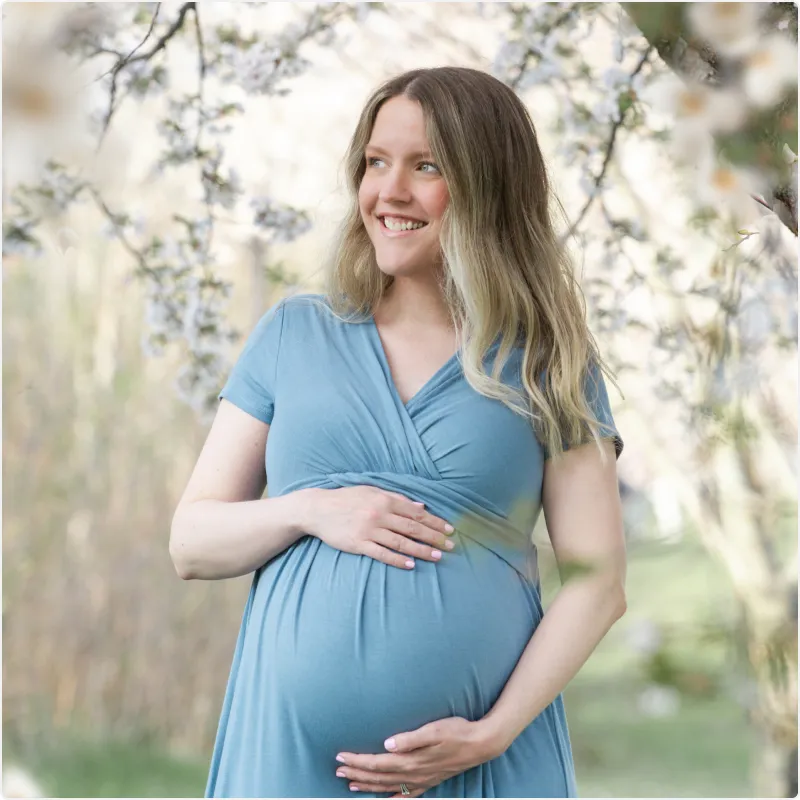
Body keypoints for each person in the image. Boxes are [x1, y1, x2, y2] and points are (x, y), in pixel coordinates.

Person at [170, 66, 627, 799]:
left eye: (427, 167)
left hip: (480, 766)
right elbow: (191, 543)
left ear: (488, 186)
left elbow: (598, 583)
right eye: (376, 162)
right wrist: (309, 509)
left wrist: (491, 733)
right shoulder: (294, 334)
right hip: (287, 761)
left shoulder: (548, 362)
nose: (390, 191)